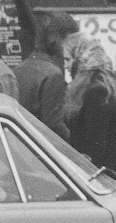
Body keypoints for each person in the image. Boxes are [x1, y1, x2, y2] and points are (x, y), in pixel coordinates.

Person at [65, 33, 116, 177]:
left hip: (108, 175)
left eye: (68, 59)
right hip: (114, 170)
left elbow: (96, 143)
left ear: (81, 58)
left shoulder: (96, 91)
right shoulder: (102, 82)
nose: (65, 65)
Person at [15, 11, 80, 139]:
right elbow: (55, 126)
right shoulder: (53, 75)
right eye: (72, 40)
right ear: (56, 39)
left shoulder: (19, 69)